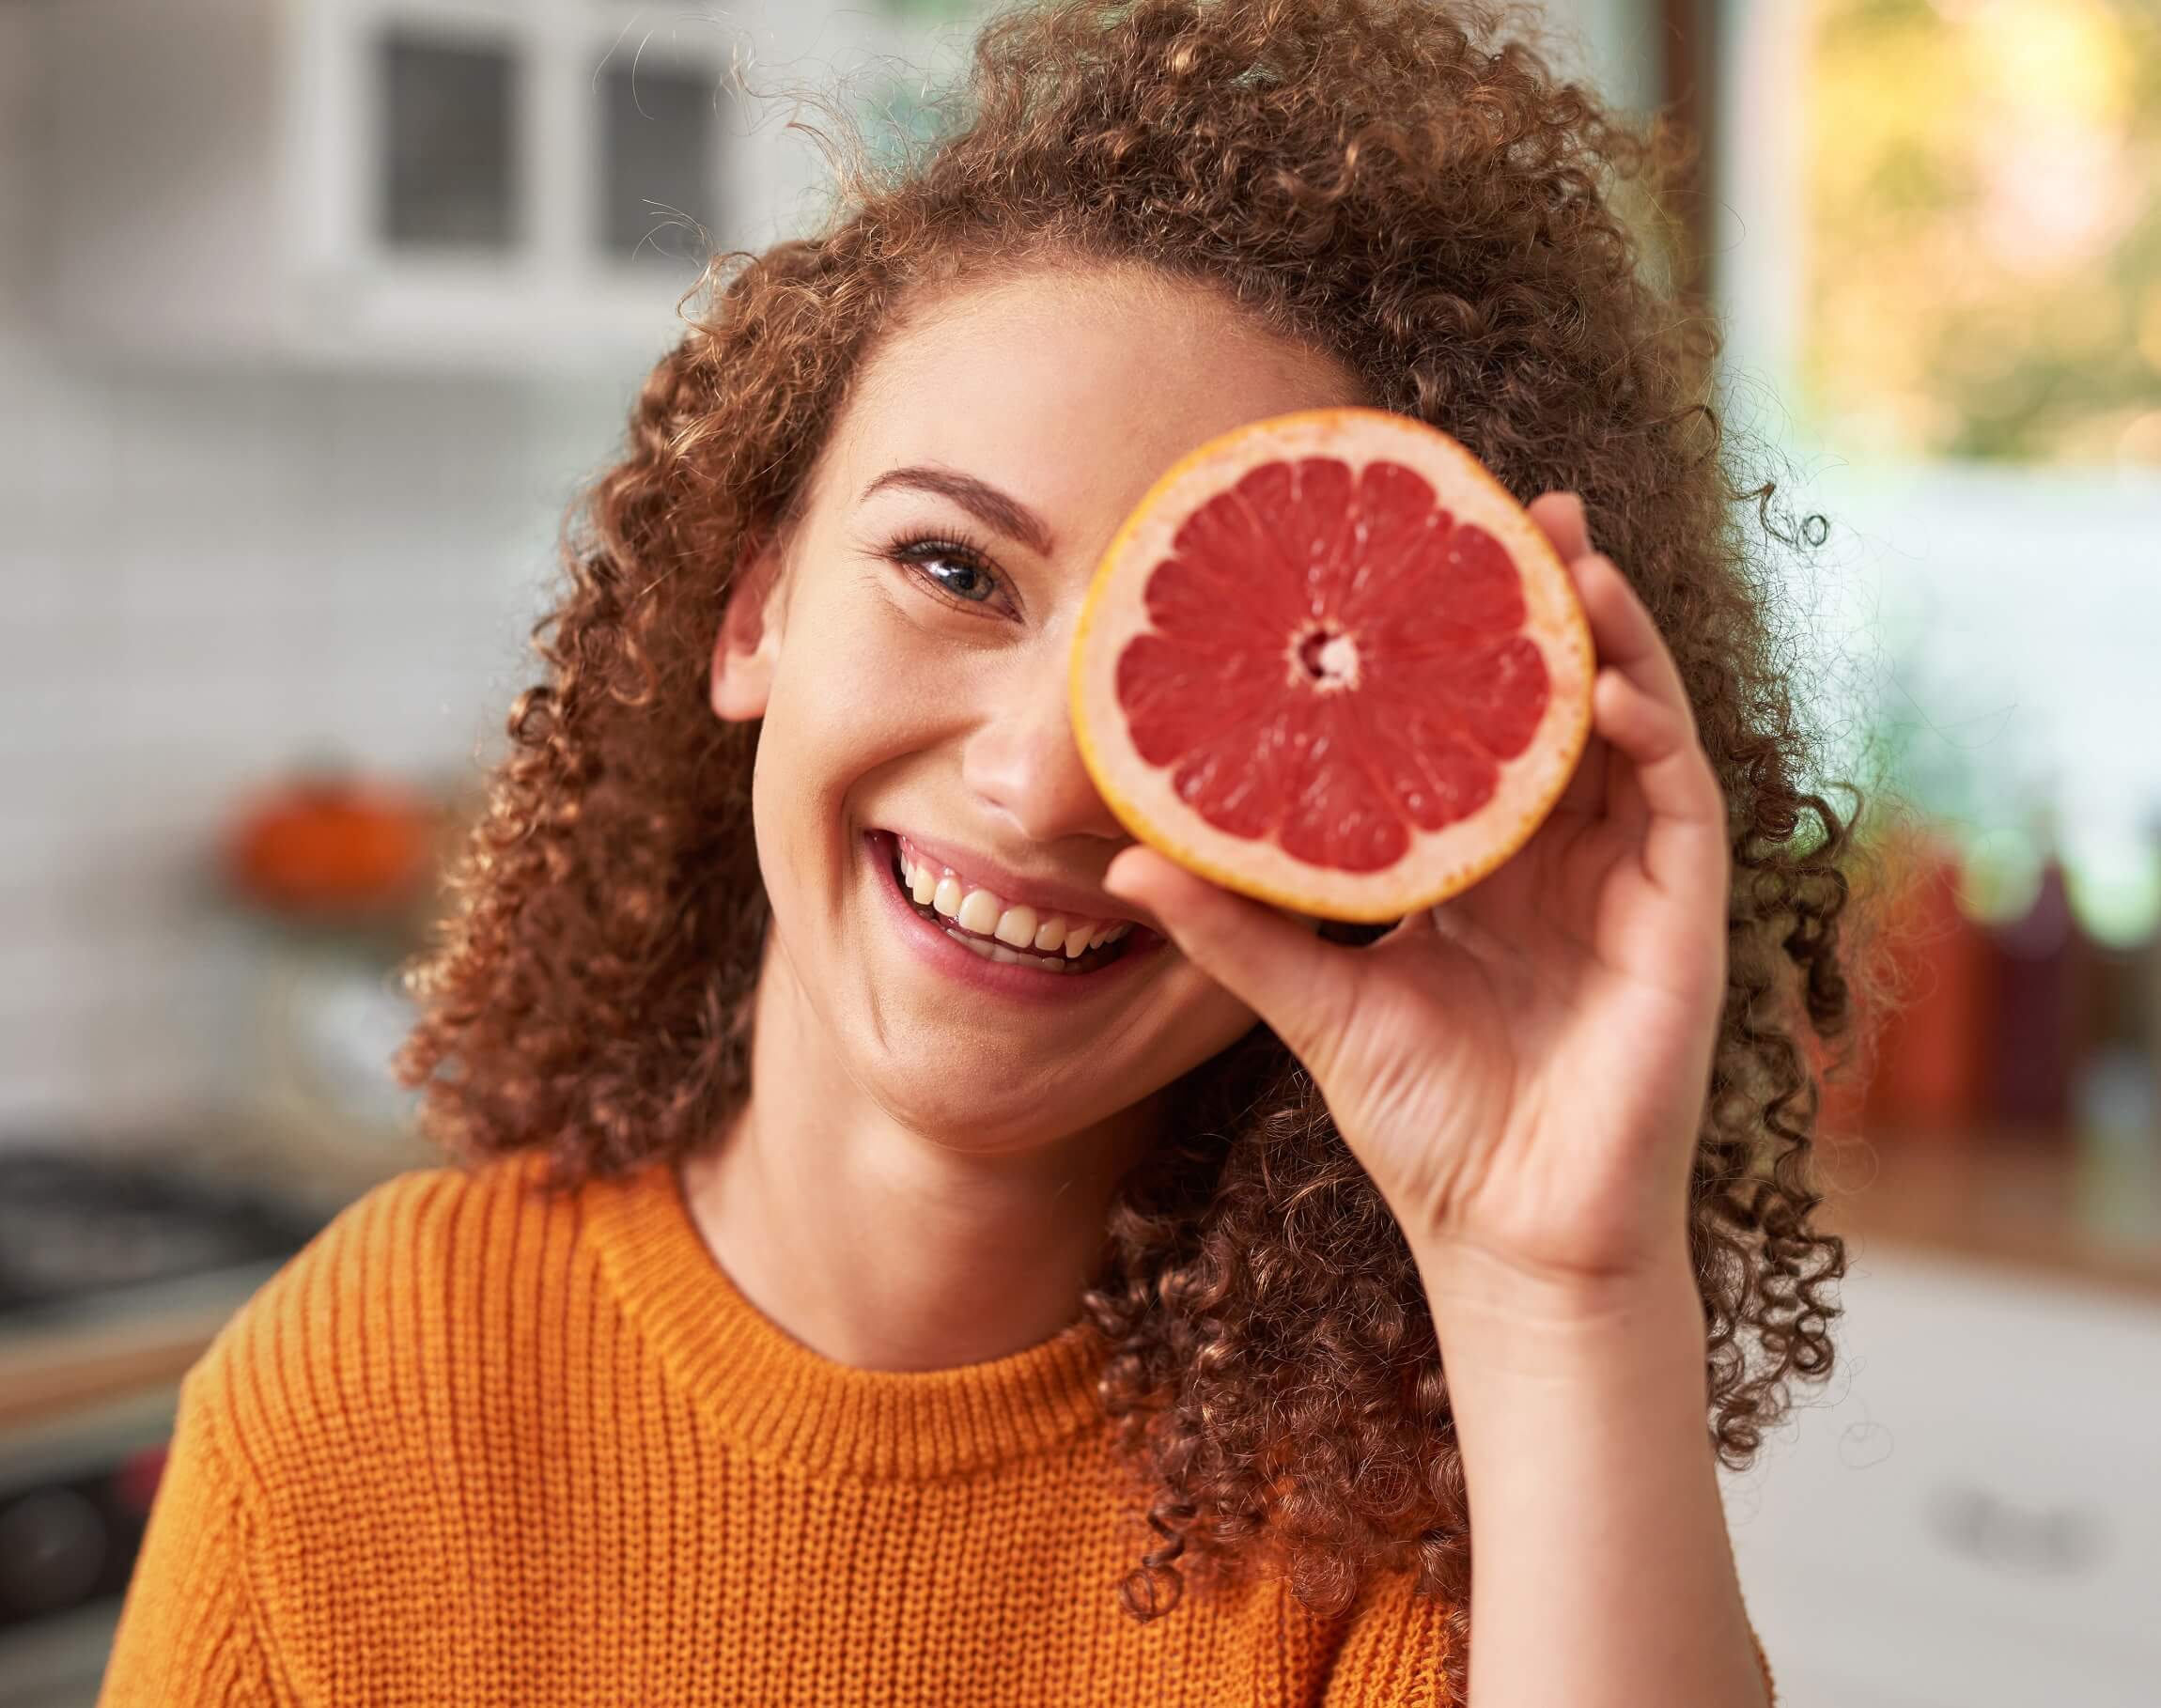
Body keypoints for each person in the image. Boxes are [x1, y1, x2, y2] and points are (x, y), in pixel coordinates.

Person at [99, 1, 1864, 1701]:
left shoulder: (1415, 1541)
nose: (1039, 782)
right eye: (952, 570)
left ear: (1361, 812)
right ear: (755, 608)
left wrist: (1558, 1286)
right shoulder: (359, 1385)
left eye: (1214, 674)